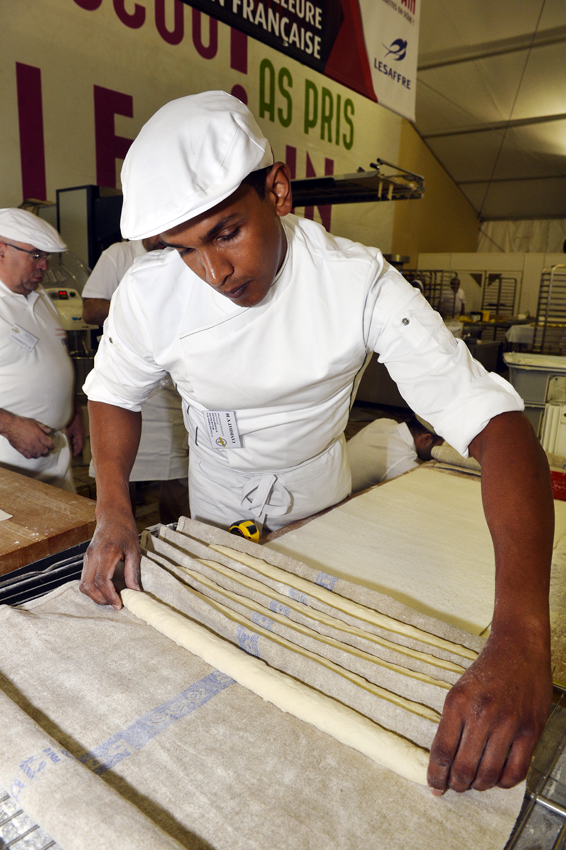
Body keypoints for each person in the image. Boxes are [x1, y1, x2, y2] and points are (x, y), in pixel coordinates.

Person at [81, 91, 554, 798]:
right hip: (215, 503)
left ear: (277, 191)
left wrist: (522, 635)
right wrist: (113, 510)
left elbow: (497, 427)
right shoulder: (150, 296)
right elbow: (112, 392)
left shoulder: (356, 282)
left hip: (323, 504)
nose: (214, 273)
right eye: (183, 251)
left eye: (226, 233)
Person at [82, 237, 189, 523]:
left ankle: (175, 537)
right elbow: (90, 309)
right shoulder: (119, 255)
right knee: (119, 478)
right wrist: (137, 310)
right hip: (128, 377)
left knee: (179, 474)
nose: (163, 238)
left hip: (173, 392)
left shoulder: (186, 253)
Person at [0, 208, 85, 491]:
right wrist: (10, 426)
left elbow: (55, 360)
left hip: (53, 453)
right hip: (9, 456)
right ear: (1, 249)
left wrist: (71, 413)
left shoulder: (40, 298)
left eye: (46, 257)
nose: (44, 266)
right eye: (35, 255)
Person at [347, 414, 444, 493]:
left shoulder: (383, 422)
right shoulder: (401, 460)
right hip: (339, 503)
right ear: (426, 439)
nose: (438, 452)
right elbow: (428, 490)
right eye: (439, 446)